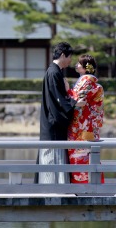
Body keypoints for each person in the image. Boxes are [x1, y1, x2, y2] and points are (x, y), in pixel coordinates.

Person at [36, 41, 82, 184]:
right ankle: (52, 191)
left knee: (53, 159)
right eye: (69, 57)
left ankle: (53, 190)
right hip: (53, 124)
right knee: (52, 159)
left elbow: (59, 98)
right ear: (63, 55)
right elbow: (59, 100)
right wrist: (74, 103)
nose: (70, 61)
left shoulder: (54, 71)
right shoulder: (54, 72)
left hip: (52, 122)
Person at [67, 54, 104, 184]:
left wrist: (67, 90)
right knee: (88, 154)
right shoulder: (90, 82)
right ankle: (94, 183)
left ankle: (82, 185)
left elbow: (76, 99)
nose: (76, 65)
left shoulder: (86, 81)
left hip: (82, 125)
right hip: (88, 125)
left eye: (79, 63)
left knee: (80, 153)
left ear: (85, 67)